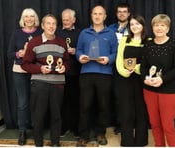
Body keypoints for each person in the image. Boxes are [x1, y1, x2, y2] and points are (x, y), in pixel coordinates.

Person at [21, 14, 69, 147]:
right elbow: (25, 64)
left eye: (54, 23)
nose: (51, 26)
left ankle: (55, 143)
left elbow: (66, 62)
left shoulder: (62, 42)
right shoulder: (34, 42)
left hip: (58, 84)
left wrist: (64, 68)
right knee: (38, 116)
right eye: (48, 23)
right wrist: (40, 68)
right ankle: (38, 143)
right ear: (42, 25)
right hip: (39, 83)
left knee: (56, 116)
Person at [76, 5, 118, 146]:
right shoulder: (84, 33)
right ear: (91, 15)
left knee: (103, 106)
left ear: (105, 16)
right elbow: (78, 50)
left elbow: (116, 53)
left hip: (105, 74)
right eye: (95, 13)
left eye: (100, 14)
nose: (98, 16)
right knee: (84, 106)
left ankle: (101, 133)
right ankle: (83, 135)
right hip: (86, 73)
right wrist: (80, 56)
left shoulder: (111, 33)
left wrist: (109, 59)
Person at [141, 14, 175, 147]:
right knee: (154, 124)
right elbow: (143, 67)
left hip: (167, 91)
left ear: (168, 28)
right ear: (152, 28)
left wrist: (162, 79)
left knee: (168, 126)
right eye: (156, 25)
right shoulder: (147, 45)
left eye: (162, 25)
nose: (159, 28)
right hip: (149, 90)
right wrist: (145, 79)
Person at [7, 8, 42, 146]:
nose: (29, 19)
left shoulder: (40, 32)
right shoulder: (16, 34)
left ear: (35, 18)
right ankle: (22, 130)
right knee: (23, 103)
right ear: (23, 19)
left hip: (36, 71)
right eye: (26, 16)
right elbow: (9, 54)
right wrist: (20, 54)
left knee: (37, 101)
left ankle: (36, 128)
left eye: (32, 16)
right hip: (19, 71)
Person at [116, 15, 148, 146]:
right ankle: (127, 141)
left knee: (141, 110)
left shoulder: (149, 41)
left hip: (142, 80)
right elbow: (119, 59)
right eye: (132, 24)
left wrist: (137, 68)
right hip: (125, 79)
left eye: (137, 24)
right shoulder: (124, 40)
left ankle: (141, 141)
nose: (135, 26)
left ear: (142, 26)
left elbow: (151, 62)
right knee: (126, 110)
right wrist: (124, 71)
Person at [56, 8, 81, 137]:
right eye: (63, 19)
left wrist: (76, 51)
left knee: (75, 102)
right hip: (59, 73)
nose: (65, 22)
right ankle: (63, 127)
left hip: (75, 73)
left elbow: (84, 50)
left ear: (74, 20)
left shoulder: (80, 33)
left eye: (68, 19)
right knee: (61, 102)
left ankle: (75, 127)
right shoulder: (57, 31)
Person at [108, 2, 131, 134]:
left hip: (129, 66)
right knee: (116, 96)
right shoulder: (110, 28)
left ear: (128, 13)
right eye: (119, 11)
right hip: (112, 66)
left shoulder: (133, 27)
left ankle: (127, 123)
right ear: (116, 14)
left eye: (124, 11)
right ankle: (118, 123)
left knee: (127, 97)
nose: (122, 14)